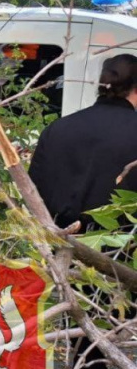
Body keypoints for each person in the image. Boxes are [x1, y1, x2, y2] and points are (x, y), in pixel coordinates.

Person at [28, 53, 137, 368]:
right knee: (115, 342)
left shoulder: (59, 129)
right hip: (123, 262)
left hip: (68, 257)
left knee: (79, 339)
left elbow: (36, 197)